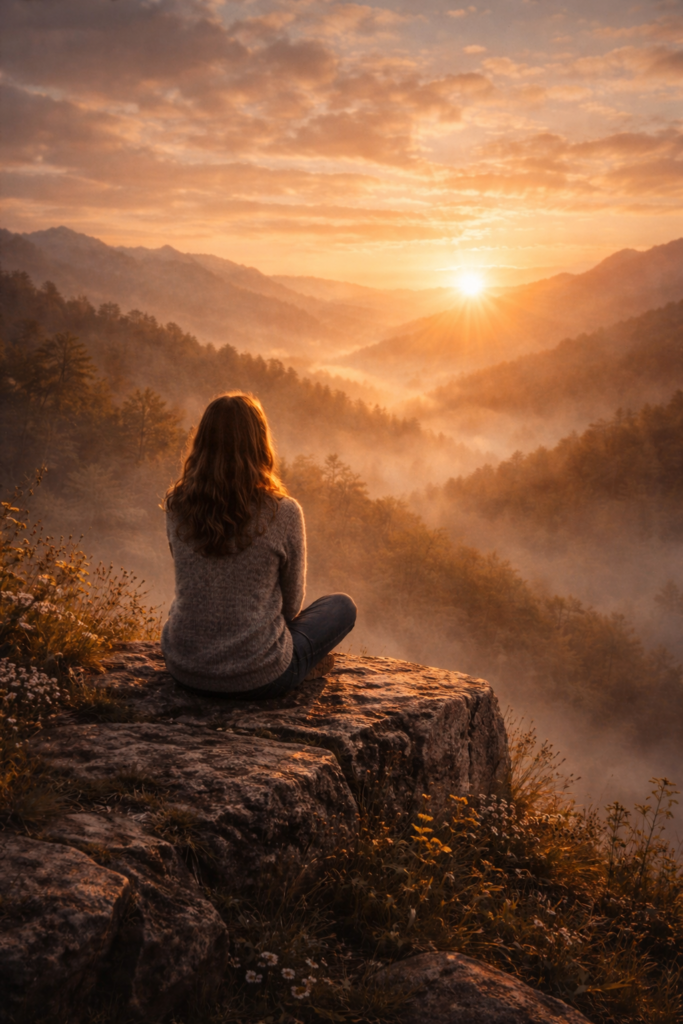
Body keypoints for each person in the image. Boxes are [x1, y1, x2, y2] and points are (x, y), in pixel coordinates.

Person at [161, 391, 356, 699]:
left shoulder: (177, 505)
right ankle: (301, 666)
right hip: (259, 678)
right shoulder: (284, 511)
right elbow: (291, 606)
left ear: (203, 442)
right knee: (341, 606)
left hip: (185, 668)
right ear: (259, 443)